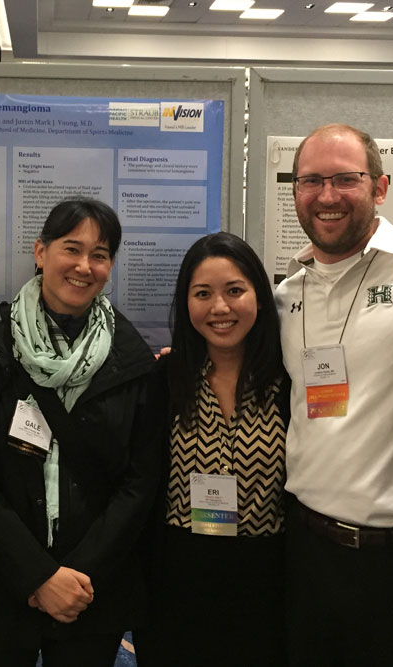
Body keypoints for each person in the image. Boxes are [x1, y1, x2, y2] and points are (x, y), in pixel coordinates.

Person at [0, 198, 161, 666]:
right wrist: (38, 576)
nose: (84, 266)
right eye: (71, 248)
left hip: (90, 589)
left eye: (99, 255)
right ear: (41, 252)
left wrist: (74, 575)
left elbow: (139, 483)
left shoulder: (132, 359)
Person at [274, 124, 393, 665]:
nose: (326, 196)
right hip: (304, 549)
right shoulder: (286, 292)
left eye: (345, 179)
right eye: (311, 181)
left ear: (379, 188)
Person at [135, 232, 289, 667]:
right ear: (187, 304)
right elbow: (145, 481)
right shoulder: (167, 379)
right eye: (203, 294)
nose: (220, 308)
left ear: (259, 295)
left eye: (235, 291)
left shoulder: (287, 378)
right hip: (179, 574)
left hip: (267, 578)